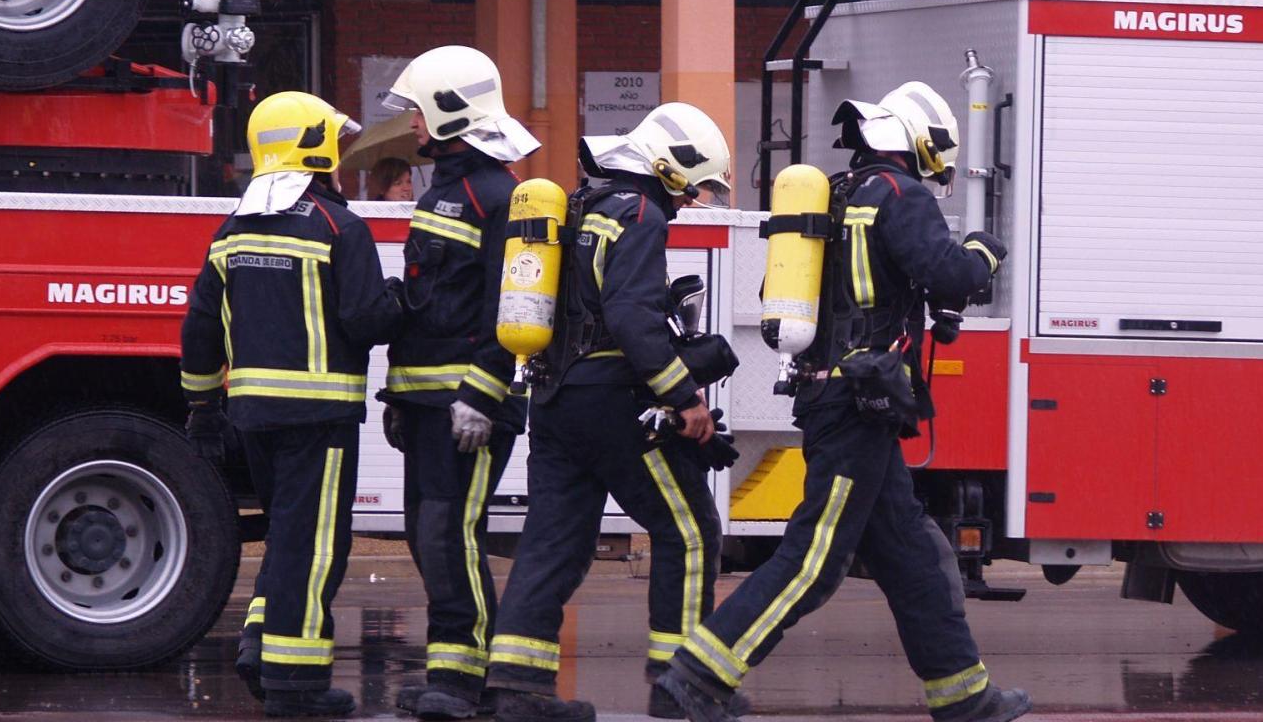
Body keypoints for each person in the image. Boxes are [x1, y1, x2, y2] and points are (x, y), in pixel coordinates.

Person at [657, 81, 1029, 722]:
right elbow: (952, 275)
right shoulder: (900, 194)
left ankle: (964, 696)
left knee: (913, 556)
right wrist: (982, 253)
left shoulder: (834, 192)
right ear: (920, 142)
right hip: (857, 403)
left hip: (835, 394)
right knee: (816, 559)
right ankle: (697, 675)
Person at [484, 103, 737, 722]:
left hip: (554, 401)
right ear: (667, 168)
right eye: (692, 186)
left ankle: (516, 685)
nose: (690, 201)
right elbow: (629, 318)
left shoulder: (579, 205)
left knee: (552, 542)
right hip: (614, 404)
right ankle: (681, 686)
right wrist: (685, 398)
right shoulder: (641, 215)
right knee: (689, 531)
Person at [180, 91, 405, 718]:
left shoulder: (233, 230)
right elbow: (365, 321)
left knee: (286, 535)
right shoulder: (339, 226)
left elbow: (200, 327)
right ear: (315, 148)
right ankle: (295, 682)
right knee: (314, 546)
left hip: (253, 418)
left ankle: (260, 639)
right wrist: (399, 299)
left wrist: (202, 407)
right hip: (319, 420)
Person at [376, 46, 540, 720]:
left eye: (418, 110)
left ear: (450, 112)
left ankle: (462, 680)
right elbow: (429, 305)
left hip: (468, 410)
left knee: (451, 534)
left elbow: (513, 305)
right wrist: (399, 395)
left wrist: (481, 394)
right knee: (427, 536)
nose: (412, 123)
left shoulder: (498, 196)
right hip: (426, 405)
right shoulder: (442, 192)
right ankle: (454, 673)